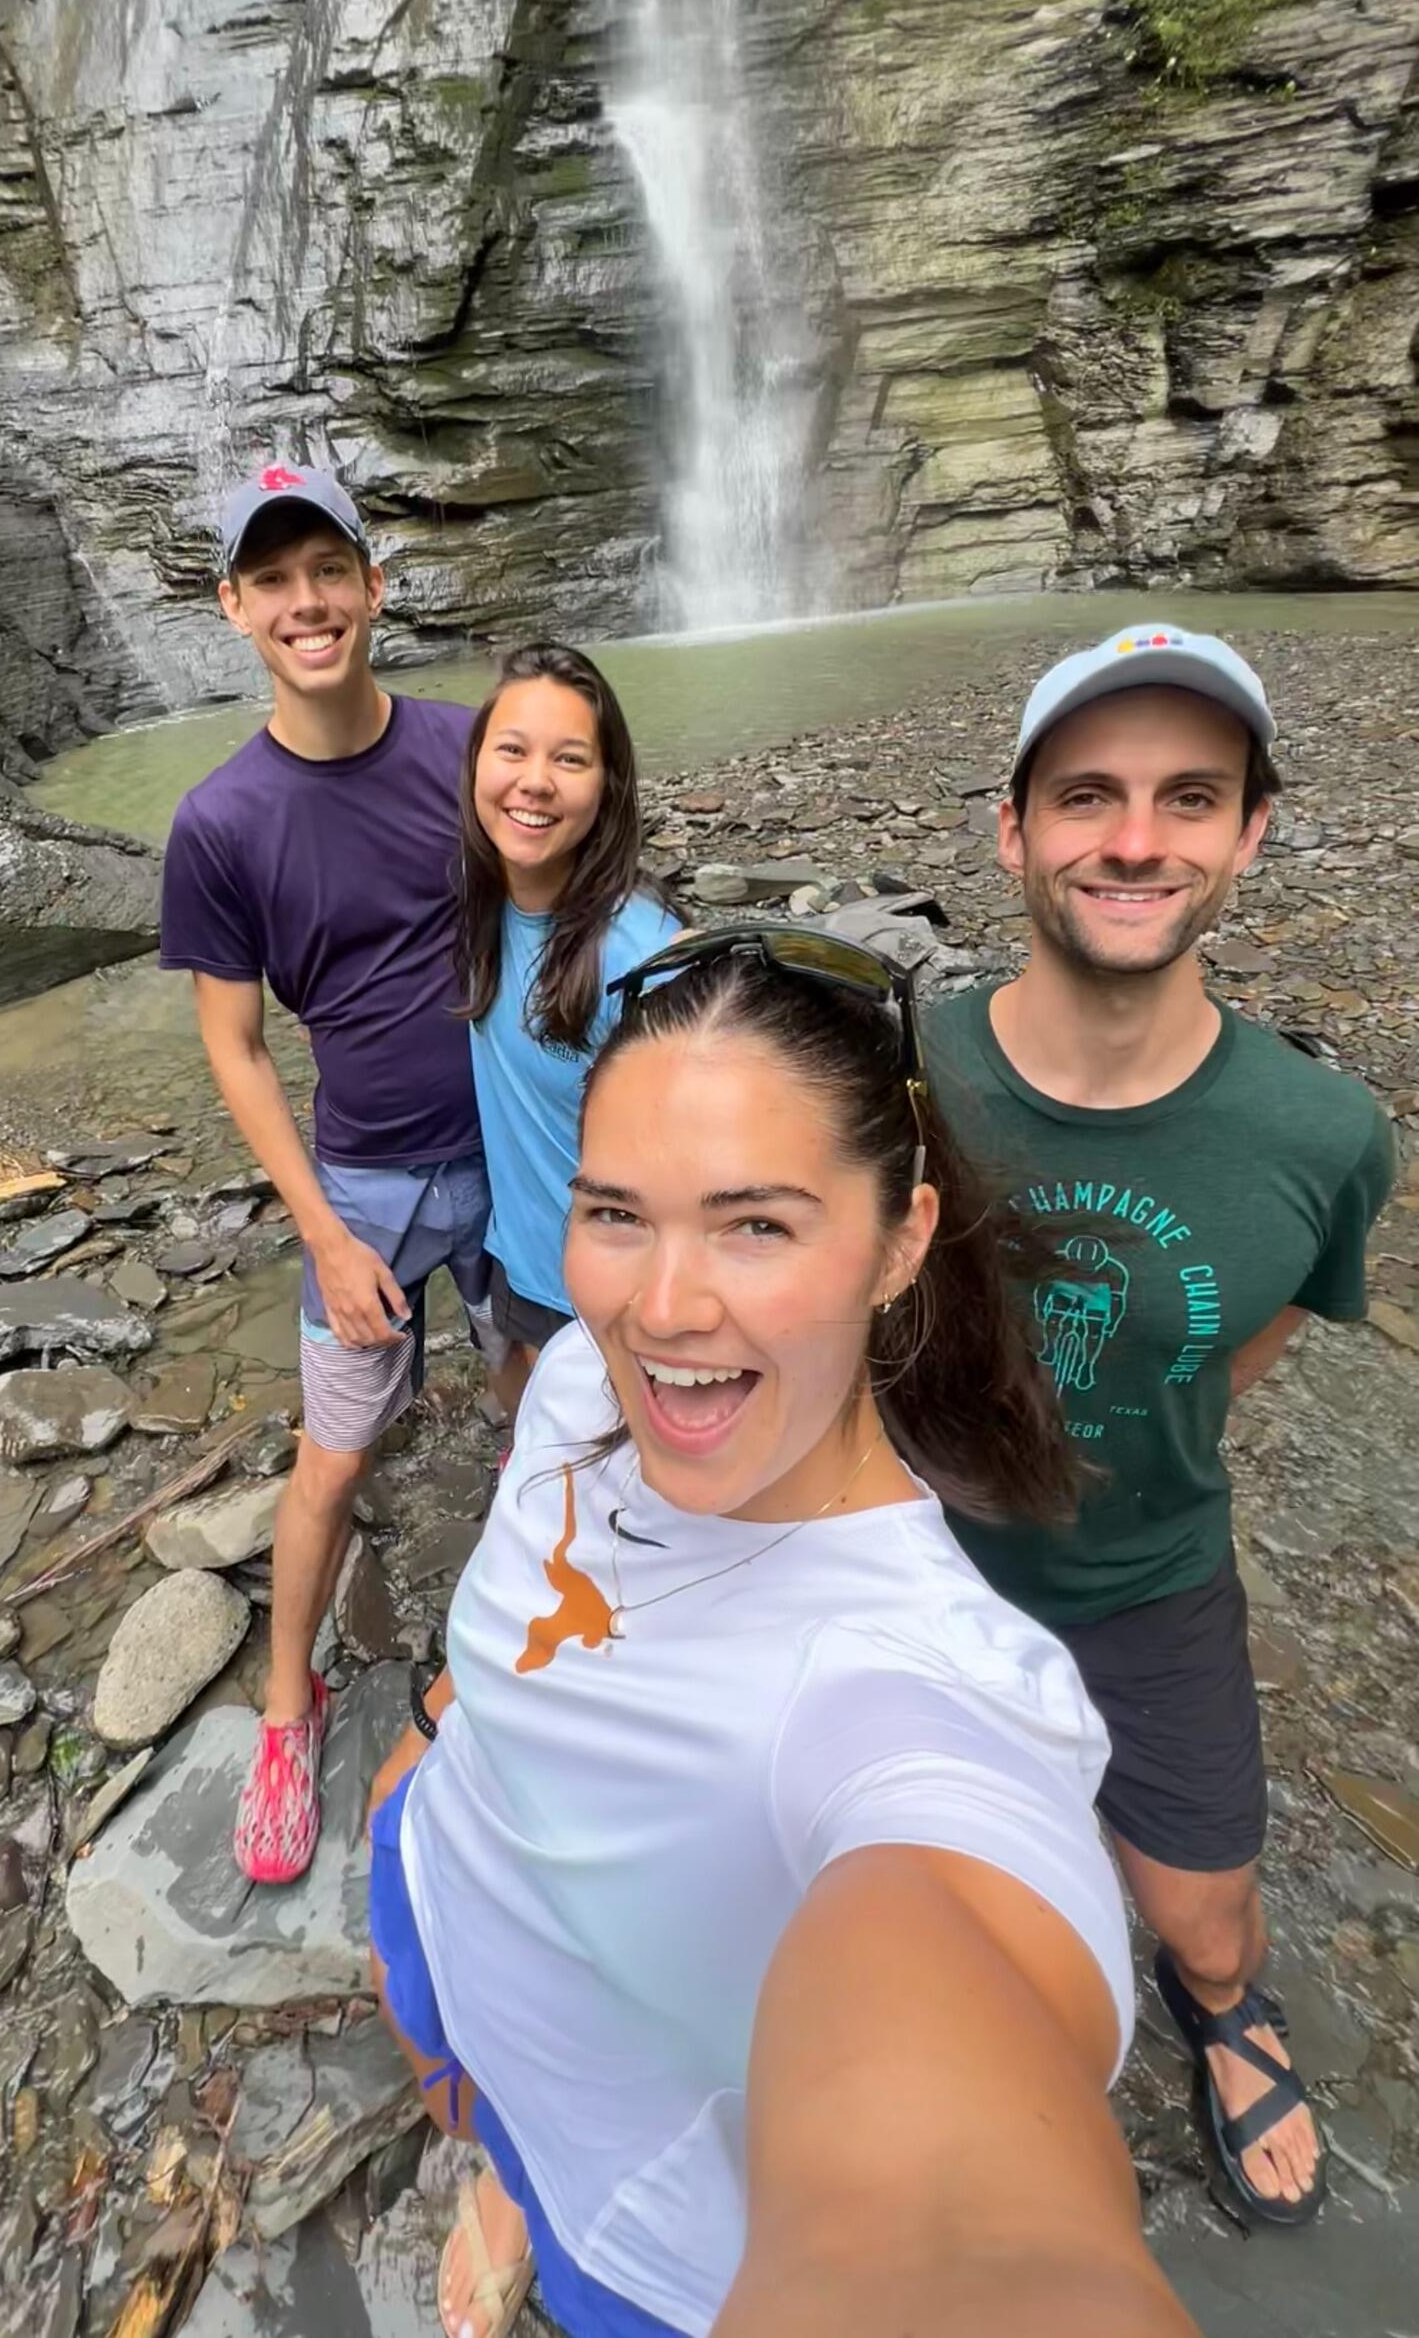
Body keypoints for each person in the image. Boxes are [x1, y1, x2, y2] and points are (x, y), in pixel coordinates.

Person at [366, 927, 1193, 2338]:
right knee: (481, 2107)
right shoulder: (583, 1372)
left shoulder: (912, 1697)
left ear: (899, 1241)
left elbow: (952, 2207)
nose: (662, 1305)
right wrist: (432, 1737)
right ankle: (494, 2169)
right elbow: (542, 1585)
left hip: (643, 2230)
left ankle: (524, 2193)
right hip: (438, 1882)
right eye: (616, 1213)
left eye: (756, 1224)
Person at [923, 624, 1398, 2230]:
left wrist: (1127, 1421)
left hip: (1148, 1580)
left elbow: (1253, 1331)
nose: (1133, 839)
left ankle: (1221, 2017)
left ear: (1247, 834)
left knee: (1201, 1922)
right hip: (906, 1573)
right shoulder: (897, 1074)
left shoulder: (1322, 1135)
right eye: (1086, 797)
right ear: (1013, 830)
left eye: (1186, 798)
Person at [159, 462, 509, 1886]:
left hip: (510, 1160)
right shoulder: (219, 823)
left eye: (330, 572)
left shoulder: (471, 748)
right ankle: (287, 1711)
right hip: (359, 1186)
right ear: (234, 607)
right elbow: (236, 1049)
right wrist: (324, 1234)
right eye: (275, 580)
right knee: (334, 1455)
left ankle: (558, 1637)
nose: (308, 603)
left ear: (372, 586)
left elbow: (565, 918)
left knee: (544, 1401)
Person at [458, 643, 677, 1405]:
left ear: (607, 787)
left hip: (616, 1303)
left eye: (570, 760)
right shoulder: (483, 902)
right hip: (519, 1263)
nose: (534, 782)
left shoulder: (645, 956)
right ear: (476, 765)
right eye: (511, 750)